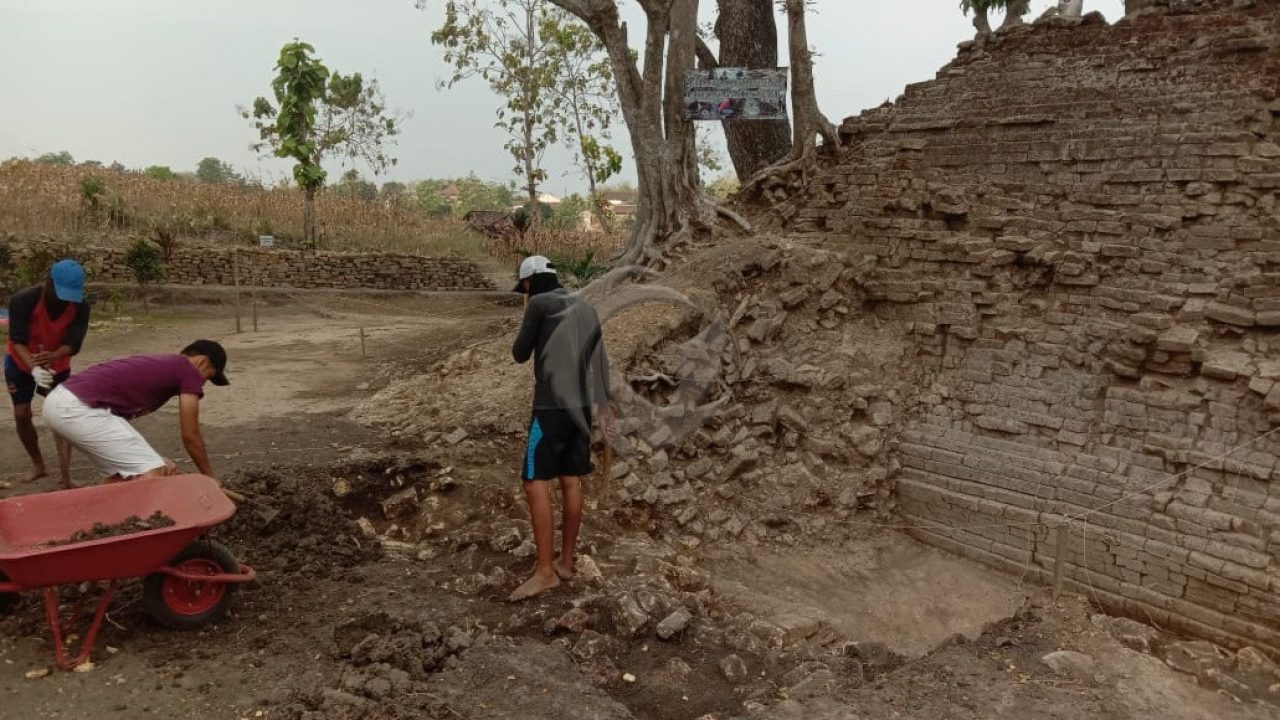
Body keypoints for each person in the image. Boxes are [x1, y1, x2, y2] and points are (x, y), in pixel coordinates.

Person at [509, 255, 613, 601]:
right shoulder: (585, 306)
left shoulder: (538, 303)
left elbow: (520, 353)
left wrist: (530, 317)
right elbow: (600, 360)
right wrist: (604, 406)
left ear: (529, 282)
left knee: (533, 481)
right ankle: (566, 562)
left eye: (523, 287)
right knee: (570, 479)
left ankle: (544, 572)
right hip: (581, 408)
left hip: (550, 408)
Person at [42, 340, 230, 483]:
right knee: (153, 473)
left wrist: (156, 458)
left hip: (64, 403)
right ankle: (140, 527)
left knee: (120, 477)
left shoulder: (164, 367)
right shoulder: (187, 369)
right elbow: (191, 435)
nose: (202, 383)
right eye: (209, 376)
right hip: (78, 407)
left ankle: (102, 525)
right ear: (202, 362)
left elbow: (117, 428)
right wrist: (209, 478)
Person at [6, 259, 90, 487]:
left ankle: (65, 475)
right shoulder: (23, 300)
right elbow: (17, 339)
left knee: (61, 415)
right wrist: (33, 368)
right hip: (20, 363)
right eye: (61, 292)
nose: (65, 299)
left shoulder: (81, 305)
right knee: (22, 413)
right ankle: (38, 465)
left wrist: (53, 357)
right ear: (48, 282)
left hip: (57, 365)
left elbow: (75, 342)